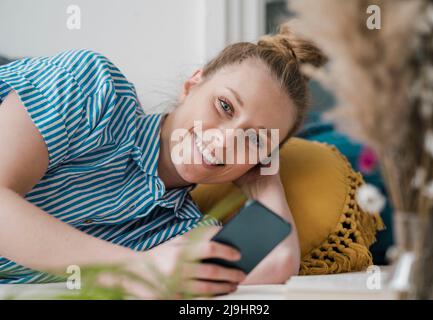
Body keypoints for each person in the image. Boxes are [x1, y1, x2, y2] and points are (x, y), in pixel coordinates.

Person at [0, 24, 326, 297]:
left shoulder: (179, 231)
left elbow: (278, 261)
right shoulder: (91, 88)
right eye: (225, 106)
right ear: (192, 85)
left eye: (254, 140)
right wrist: (134, 268)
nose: (225, 141)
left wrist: (265, 184)